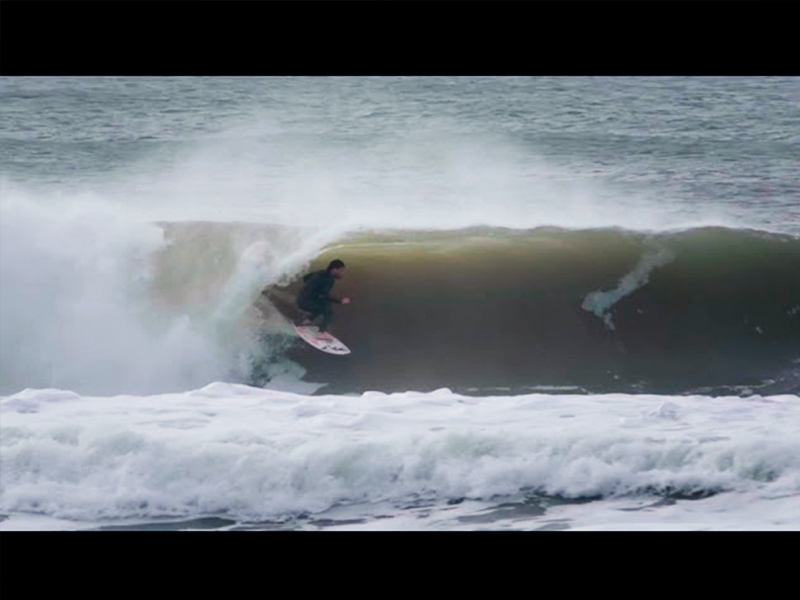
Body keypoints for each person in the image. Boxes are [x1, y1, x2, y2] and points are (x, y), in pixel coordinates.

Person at [296, 259, 351, 336]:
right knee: (328, 311)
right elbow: (324, 295)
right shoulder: (329, 279)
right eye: (341, 270)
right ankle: (321, 333)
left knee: (323, 304)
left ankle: (306, 321)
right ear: (334, 269)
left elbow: (305, 278)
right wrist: (340, 301)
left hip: (301, 298)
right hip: (305, 302)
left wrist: (310, 287)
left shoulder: (321, 272)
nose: (342, 273)